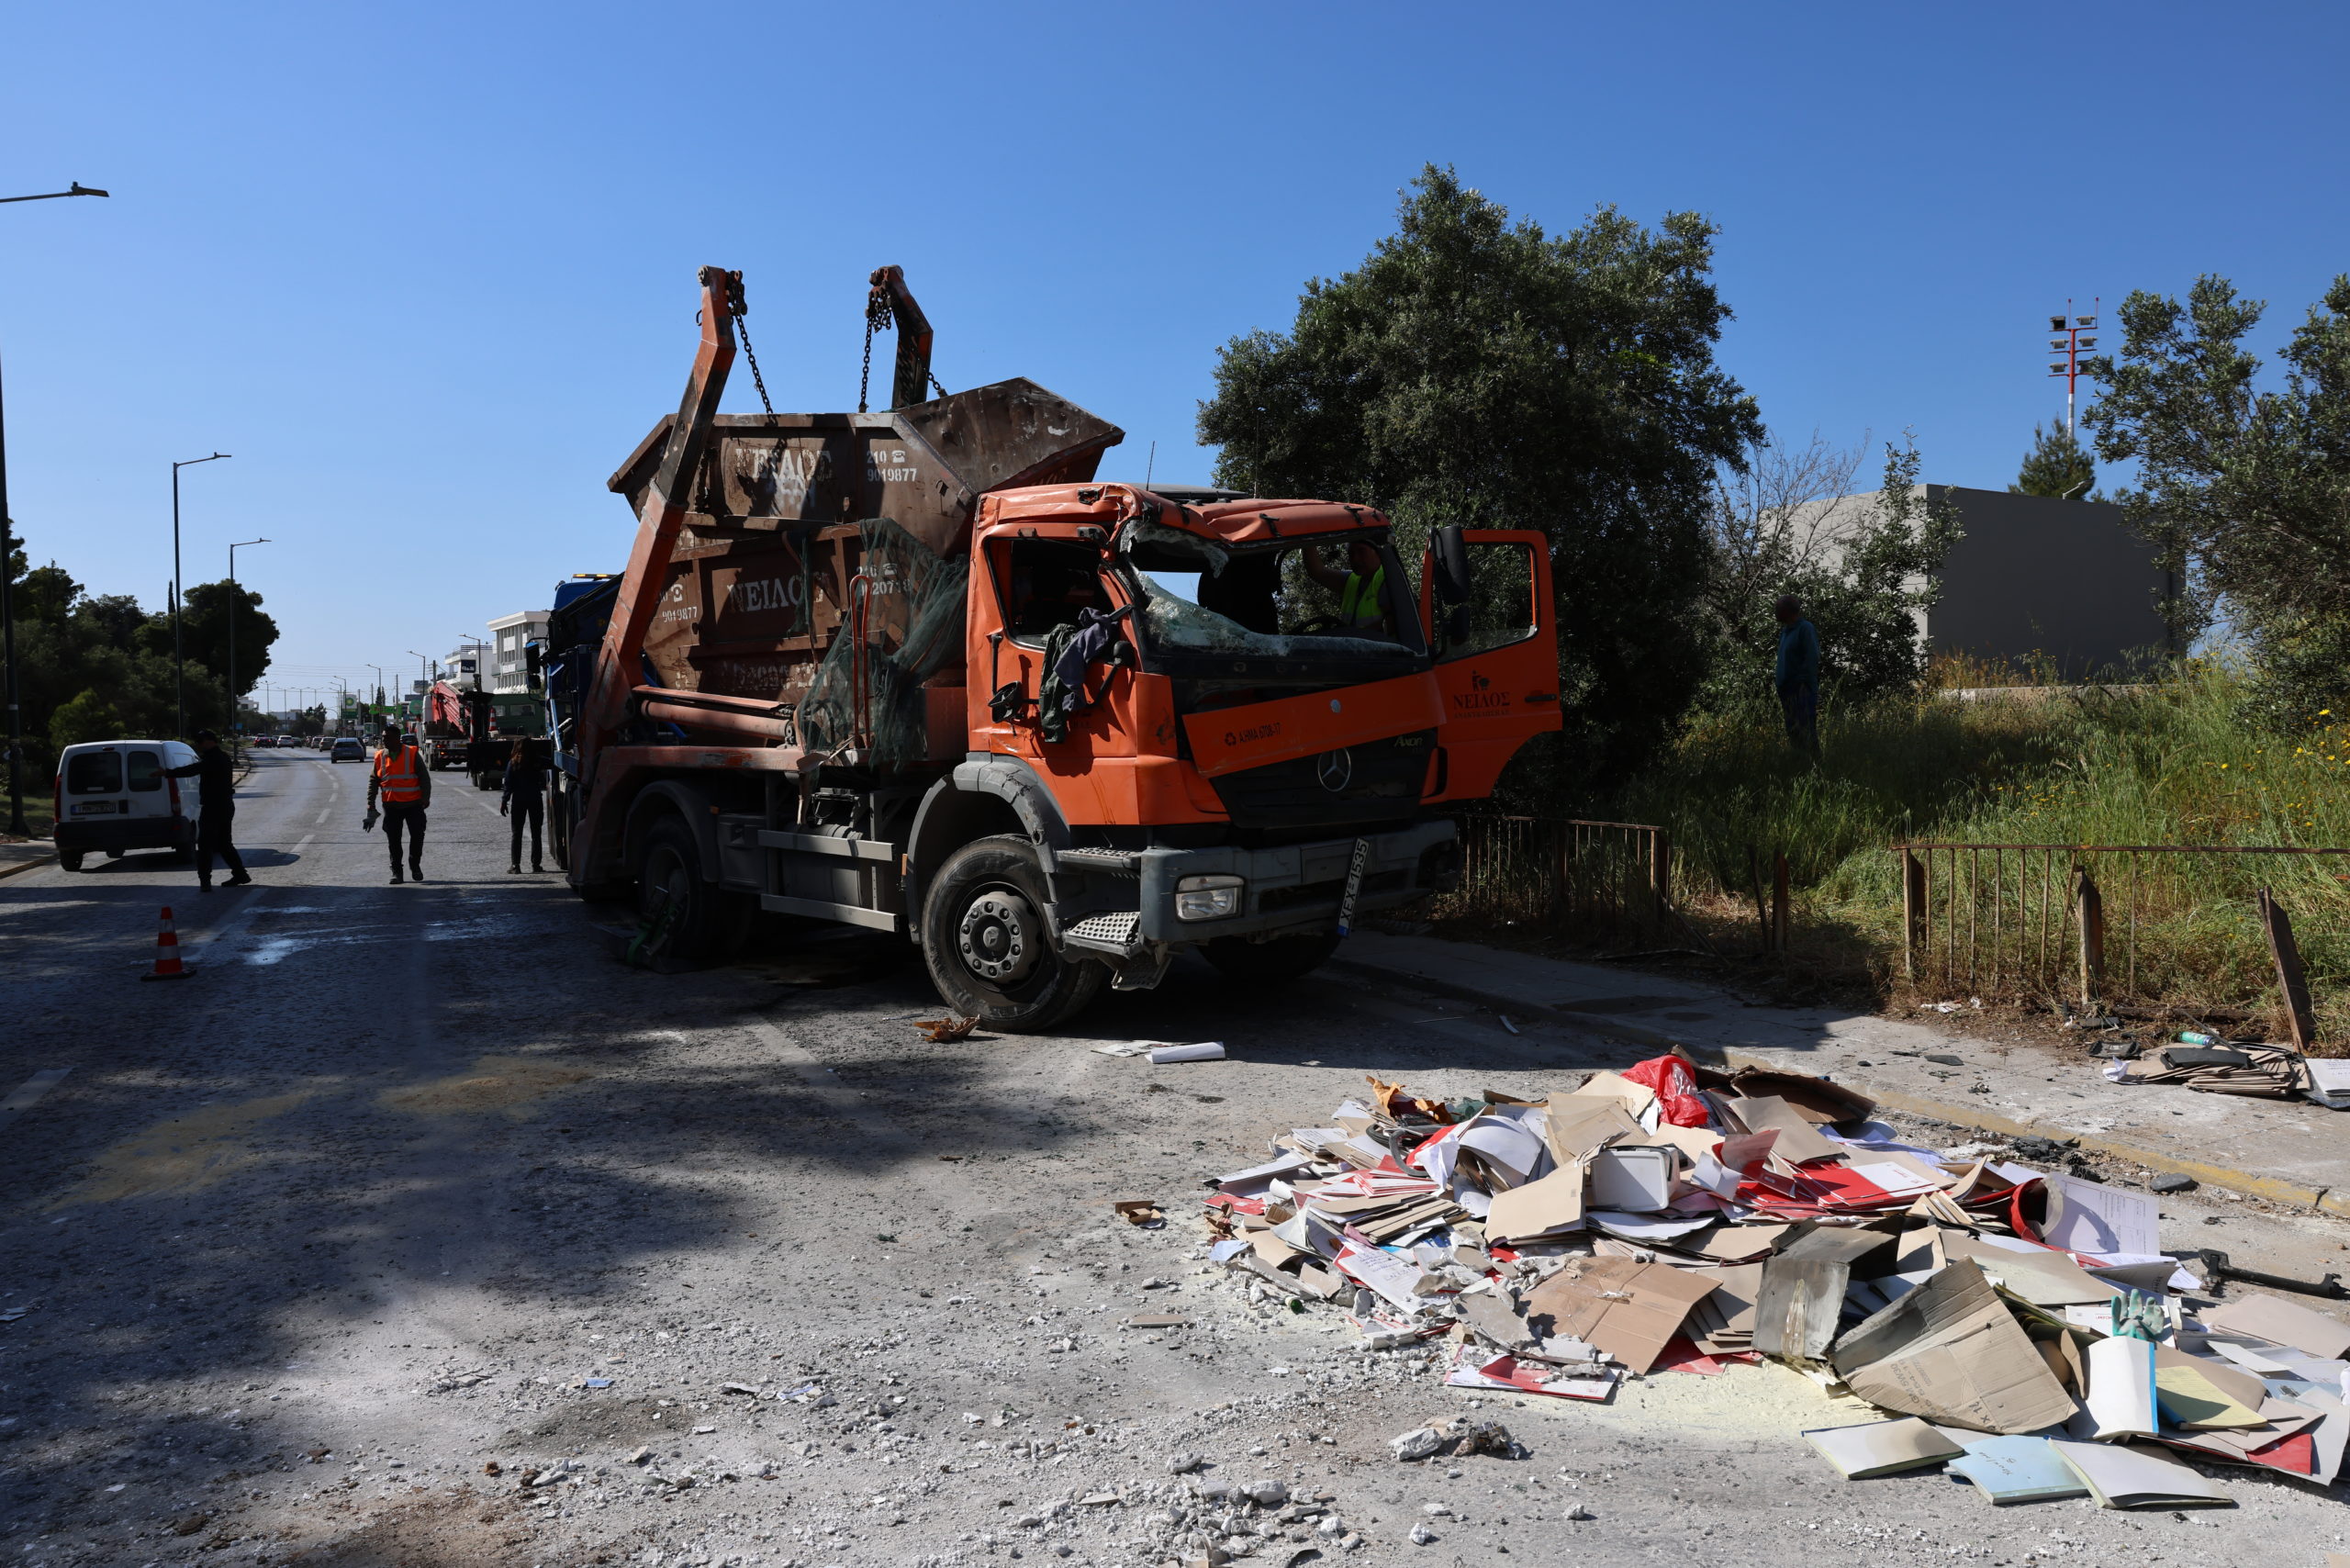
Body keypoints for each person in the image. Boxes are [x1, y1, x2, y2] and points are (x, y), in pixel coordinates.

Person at [162, 729, 252, 891]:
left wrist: (168, 773)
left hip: (214, 807)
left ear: (211, 741)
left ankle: (205, 881)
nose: (199, 745)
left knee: (205, 845)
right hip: (224, 805)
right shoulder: (222, 757)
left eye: (200, 741)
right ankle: (240, 874)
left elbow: (193, 770)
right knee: (224, 843)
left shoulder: (214, 759)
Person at [366, 722, 432, 883]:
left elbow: (424, 777)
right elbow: (374, 780)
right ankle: (397, 872)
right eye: (383, 737)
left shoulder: (411, 753)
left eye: (387, 737)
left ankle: (414, 864)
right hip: (391, 805)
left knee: (417, 836)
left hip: (413, 804)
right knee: (393, 841)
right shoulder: (380, 755)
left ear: (397, 738)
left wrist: (425, 798)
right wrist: (371, 803)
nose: (384, 740)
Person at [1302, 537, 1390, 634]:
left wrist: (1348, 636)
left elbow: (1392, 624)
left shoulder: (1387, 580)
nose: (1355, 559)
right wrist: (1307, 537)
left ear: (1377, 551)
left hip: (1382, 649)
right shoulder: (1352, 580)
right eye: (1351, 554)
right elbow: (1317, 571)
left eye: (1361, 551)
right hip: (1352, 647)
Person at [1774, 595, 1821, 757]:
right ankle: (1800, 767)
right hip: (1786, 691)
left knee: (1806, 731)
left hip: (1801, 691)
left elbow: (1812, 657)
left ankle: (1817, 769)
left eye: (1778, 608)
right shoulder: (1785, 631)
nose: (1775, 612)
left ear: (1787, 610)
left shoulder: (1805, 628)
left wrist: (1803, 684)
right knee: (1793, 732)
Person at [499, 736, 547, 874]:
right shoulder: (537, 761)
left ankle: (516, 865)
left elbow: (508, 785)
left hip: (519, 800)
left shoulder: (513, 763)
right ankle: (536, 865)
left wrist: (504, 801)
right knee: (536, 833)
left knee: (517, 833)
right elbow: (552, 763)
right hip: (535, 799)